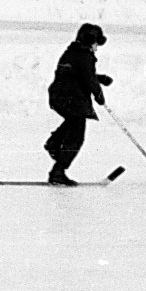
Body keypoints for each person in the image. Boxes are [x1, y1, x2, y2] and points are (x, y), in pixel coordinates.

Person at [44, 22, 111, 186]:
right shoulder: (85, 57)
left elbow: (77, 73)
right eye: (96, 44)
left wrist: (99, 78)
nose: (97, 48)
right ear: (90, 42)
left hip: (59, 97)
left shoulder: (71, 52)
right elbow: (87, 77)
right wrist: (99, 94)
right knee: (76, 137)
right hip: (72, 100)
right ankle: (58, 172)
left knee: (72, 123)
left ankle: (53, 143)